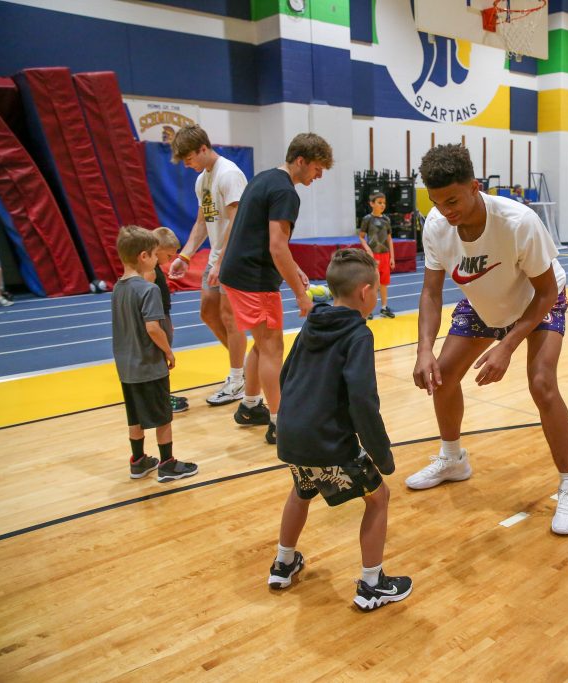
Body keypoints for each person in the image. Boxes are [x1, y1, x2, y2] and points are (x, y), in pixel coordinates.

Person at [408, 144, 568, 535]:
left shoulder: (518, 221)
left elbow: (545, 295)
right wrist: (424, 349)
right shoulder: (437, 225)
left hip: (536, 301)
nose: (444, 211)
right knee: (442, 374)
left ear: (475, 186)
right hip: (484, 301)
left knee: (542, 384)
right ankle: (453, 459)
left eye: (452, 199)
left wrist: (507, 345)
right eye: (436, 202)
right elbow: (431, 293)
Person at [268, 249, 412, 610]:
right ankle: (372, 584)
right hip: (328, 441)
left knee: (302, 489)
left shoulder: (311, 323)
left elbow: (286, 375)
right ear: (365, 292)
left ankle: (283, 564)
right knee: (378, 498)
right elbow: (362, 400)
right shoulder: (358, 335)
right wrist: (381, 454)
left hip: (293, 435)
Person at [219, 133, 332, 444]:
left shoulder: (266, 178)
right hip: (253, 281)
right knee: (272, 347)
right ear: (301, 161)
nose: (319, 175)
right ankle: (279, 423)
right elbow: (277, 246)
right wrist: (299, 293)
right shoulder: (286, 193)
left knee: (261, 343)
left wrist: (293, 269)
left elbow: (261, 236)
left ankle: (250, 405)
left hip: (238, 274)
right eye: (317, 168)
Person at [168, 125, 250, 407]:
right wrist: (186, 255)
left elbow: (237, 221)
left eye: (189, 158)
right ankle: (245, 368)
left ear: (203, 148)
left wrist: (223, 260)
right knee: (208, 312)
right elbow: (203, 222)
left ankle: (238, 379)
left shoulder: (229, 174)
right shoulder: (201, 180)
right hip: (218, 255)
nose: (187, 165)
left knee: (230, 316)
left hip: (235, 255)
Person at [111, 226, 198, 483]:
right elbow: (152, 328)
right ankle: (167, 464)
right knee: (162, 417)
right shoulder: (149, 290)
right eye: (153, 254)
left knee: (135, 416)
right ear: (144, 256)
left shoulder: (117, 288)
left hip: (126, 367)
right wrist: (169, 352)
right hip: (149, 364)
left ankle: (138, 461)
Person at [151, 227, 188, 413]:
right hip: (157, 319)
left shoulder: (154, 268)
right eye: (169, 255)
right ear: (156, 250)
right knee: (160, 358)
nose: (170, 260)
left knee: (160, 359)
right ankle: (161, 399)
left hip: (162, 316)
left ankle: (161, 395)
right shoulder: (150, 272)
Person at [358, 191, 396, 319]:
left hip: (385, 255)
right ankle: (368, 309)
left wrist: (392, 257)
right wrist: (368, 249)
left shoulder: (386, 219)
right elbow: (362, 237)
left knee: (384, 283)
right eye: (379, 203)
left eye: (384, 203)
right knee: (372, 283)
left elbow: (390, 239)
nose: (382, 205)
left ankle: (384, 308)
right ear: (372, 204)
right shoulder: (367, 219)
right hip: (372, 256)